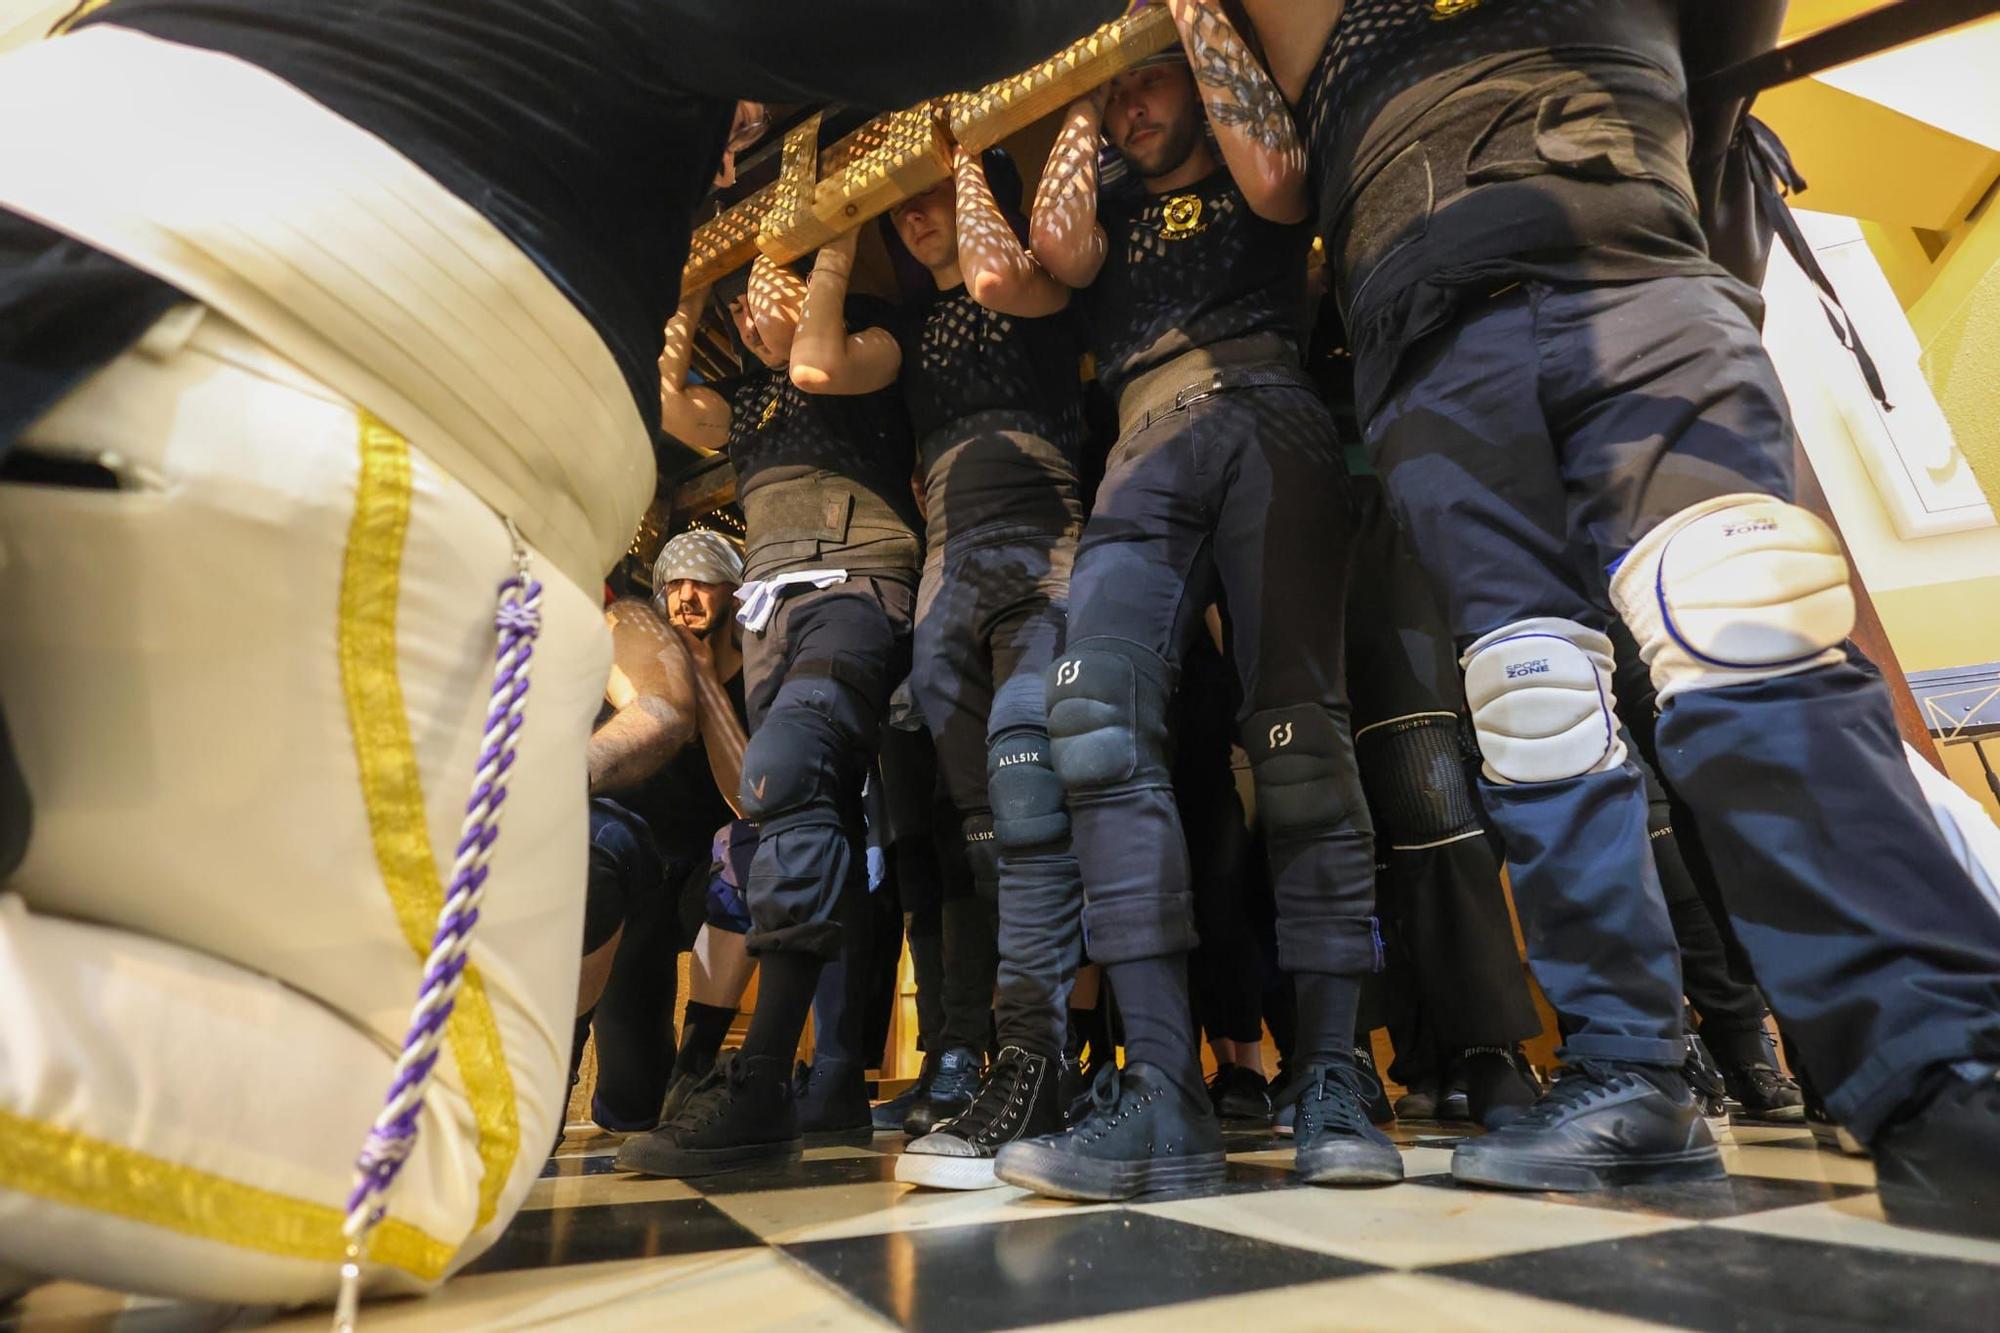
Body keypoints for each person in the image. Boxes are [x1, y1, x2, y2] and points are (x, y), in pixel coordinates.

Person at [0, 0, 1131, 1302]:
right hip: (270, 343)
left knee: (857, 799)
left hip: (101, 284)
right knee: (431, 1136)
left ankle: (846, 1070)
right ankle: (786, 1074)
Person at [1246, 0, 2000, 1233]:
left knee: (1738, 612)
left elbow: (1720, 55)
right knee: (1531, 701)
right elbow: (1282, 173)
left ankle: (1942, 1063)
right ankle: (1628, 1079)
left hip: (1627, 262)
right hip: (1423, 341)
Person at [995, 0, 1395, 1203]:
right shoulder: (1101, 202)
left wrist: (1183, 22)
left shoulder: (1247, 143)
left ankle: (1333, 1075)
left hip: (1269, 408)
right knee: (1091, 725)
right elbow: (1048, 248)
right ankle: (1163, 1089)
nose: (1131, 106)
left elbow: (1278, 176)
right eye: (1120, 95)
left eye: (1145, 82)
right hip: (1136, 443)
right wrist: (1083, 80)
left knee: (1301, 744)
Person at [785, 146, 1089, 1190]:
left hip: (1043, 554)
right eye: (902, 205)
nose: (919, 215)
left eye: (936, 197)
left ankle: (1044, 1058)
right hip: (949, 574)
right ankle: (999, 1058)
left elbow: (1004, 275)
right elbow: (815, 364)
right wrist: (841, 230)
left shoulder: (1032, 275)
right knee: (968, 835)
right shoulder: (910, 331)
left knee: (1027, 795)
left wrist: (960, 162)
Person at [616, 245, 922, 1177]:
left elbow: (817, 360)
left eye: (766, 294)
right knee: (800, 812)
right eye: (747, 305)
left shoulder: (872, 339)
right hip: (771, 613)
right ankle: (827, 1078)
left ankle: (763, 1080)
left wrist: (824, 245)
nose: (755, 313)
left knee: (786, 778)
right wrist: (698, 279)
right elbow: (668, 396)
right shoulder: (747, 400)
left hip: (852, 581)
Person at [573, 530, 752, 1138]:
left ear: (734, 591)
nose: (686, 597)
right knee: (632, 1106)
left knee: (756, 859)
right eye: (674, 583)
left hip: (716, 878)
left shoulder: (757, 674)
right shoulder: (634, 662)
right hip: (643, 879)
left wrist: (706, 684)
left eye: (702, 581)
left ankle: (709, 1062)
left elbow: (751, 800)